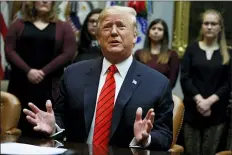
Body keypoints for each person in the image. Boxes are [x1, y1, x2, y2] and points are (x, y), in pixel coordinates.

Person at [23, 6, 173, 150]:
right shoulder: (73, 74)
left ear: (135, 36)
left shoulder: (157, 84)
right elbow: (62, 118)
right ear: (99, 37)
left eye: (121, 26)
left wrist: (146, 139)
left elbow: (165, 135)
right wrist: (53, 128)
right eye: (107, 27)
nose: (113, 32)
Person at [5, 1, 76, 137]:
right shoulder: (18, 24)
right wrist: (28, 71)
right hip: (21, 84)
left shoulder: (63, 26)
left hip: (50, 86)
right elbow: (9, 51)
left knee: (45, 127)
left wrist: (43, 72)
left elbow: (68, 53)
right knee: (18, 126)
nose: (45, 1)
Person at [180, 9, 231, 155]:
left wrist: (209, 102)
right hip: (192, 111)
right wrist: (200, 101)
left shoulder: (227, 53)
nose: (209, 27)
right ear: (201, 26)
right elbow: (185, 78)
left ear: (220, 27)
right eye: (206, 23)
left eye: (213, 24)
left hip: (217, 114)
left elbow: (228, 83)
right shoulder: (191, 49)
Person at [134, 19, 180, 88]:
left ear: (164, 34)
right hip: (141, 92)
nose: (156, 31)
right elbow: (134, 77)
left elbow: (172, 81)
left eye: (160, 29)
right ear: (149, 32)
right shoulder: (139, 54)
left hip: (162, 95)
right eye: (153, 28)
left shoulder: (172, 55)